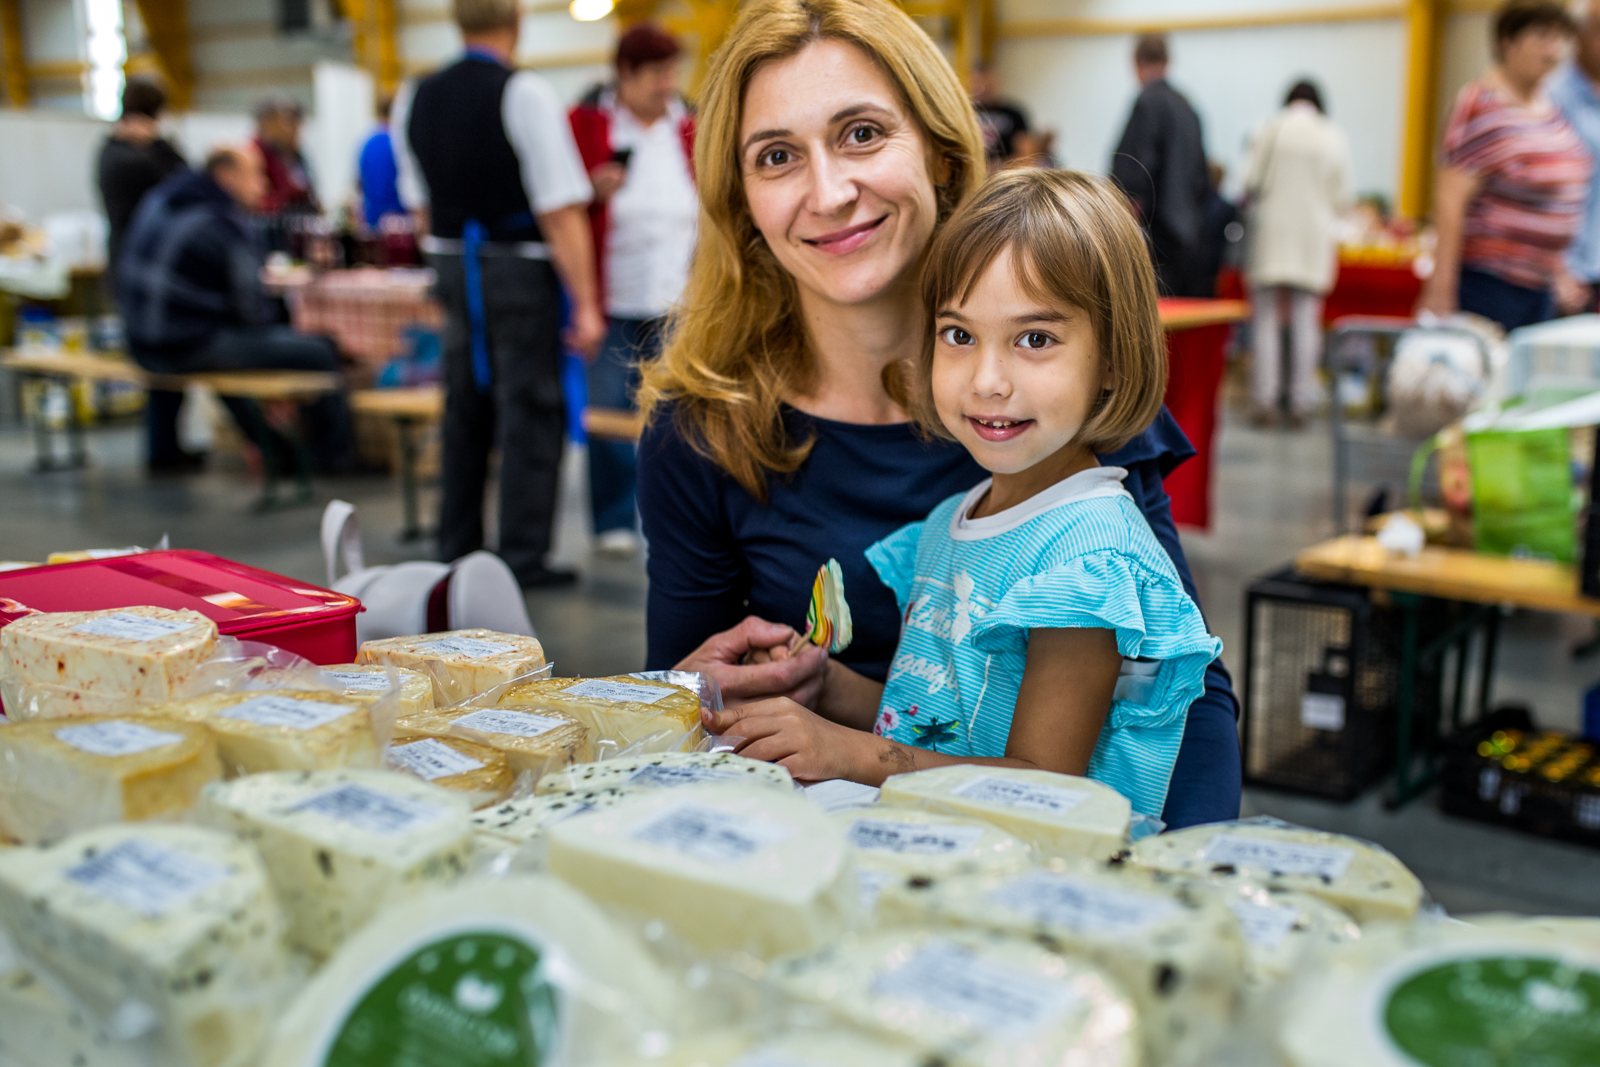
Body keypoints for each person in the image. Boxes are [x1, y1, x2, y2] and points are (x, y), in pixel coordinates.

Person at [634, 0, 1242, 829]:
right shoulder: (704, 430)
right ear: (742, 204)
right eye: (777, 156)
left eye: (861, 133)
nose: (830, 190)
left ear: (942, 154)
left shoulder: (1066, 395)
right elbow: (681, 699)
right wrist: (700, 690)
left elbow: (1178, 690)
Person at [706, 169, 1220, 813]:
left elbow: (1041, 783)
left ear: (1114, 358)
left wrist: (849, 752)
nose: (988, 379)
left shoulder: (1088, 557)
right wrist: (826, 689)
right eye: (959, 335)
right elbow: (928, 724)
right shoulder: (956, 519)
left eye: (1035, 339)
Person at [392, 0, 606, 587]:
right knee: (532, 407)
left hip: (452, 264)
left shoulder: (416, 95)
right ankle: (522, 556)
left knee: (463, 403)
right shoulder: (524, 92)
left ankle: (455, 545)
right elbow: (561, 210)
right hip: (515, 267)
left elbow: (419, 206)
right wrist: (586, 304)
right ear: (516, 20)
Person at [118, 146, 354, 473]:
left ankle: (164, 452)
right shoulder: (223, 221)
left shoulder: (162, 200)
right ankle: (330, 457)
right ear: (226, 175)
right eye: (257, 174)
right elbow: (253, 312)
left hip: (138, 340)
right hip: (184, 347)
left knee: (195, 338)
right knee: (319, 351)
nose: (264, 185)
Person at [569, 23, 697, 558]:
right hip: (615, 294)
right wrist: (591, 191)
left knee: (678, 416)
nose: (666, 83)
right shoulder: (589, 125)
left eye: (671, 72)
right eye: (654, 74)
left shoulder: (686, 127)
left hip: (679, 296)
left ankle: (675, 516)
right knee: (609, 410)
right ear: (624, 74)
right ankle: (612, 519)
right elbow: (560, 207)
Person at [1419, 0, 1590, 331]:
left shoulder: (1549, 104)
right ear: (1507, 42)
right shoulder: (1479, 105)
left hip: (1540, 286)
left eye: (1558, 39)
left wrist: (1559, 271)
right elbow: (1449, 204)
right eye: (1542, 38)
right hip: (1491, 282)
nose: (1553, 51)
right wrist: (1440, 292)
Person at [1243, 80, 1350, 427]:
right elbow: (1343, 195)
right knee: (1307, 320)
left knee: (1267, 320)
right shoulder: (1332, 134)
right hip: (1312, 239)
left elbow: (1250, 180)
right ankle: (1302, 400)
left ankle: (1266, 398)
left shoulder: (1270, 129)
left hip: (1273, 234)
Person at [1110, 33, 1211, 297]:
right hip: (1189, 231)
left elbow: (1134, 168)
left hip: (1156, 231)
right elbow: (1202, 174)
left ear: (1136, 63)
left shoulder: (1146, 103)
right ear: (1168, 61)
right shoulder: (1188, 107)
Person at [98, 77, 187, 291]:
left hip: (128, 255)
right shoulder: (131, 160)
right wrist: (158, 142)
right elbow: (183, 181)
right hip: (139, 258)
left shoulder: (110, 149)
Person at [1547, 0, 1600, 314]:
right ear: (1578, 34)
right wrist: (1557, 270)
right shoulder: (1552, 98)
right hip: (1571, 278)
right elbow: (1541, 193)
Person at [253, 96, 319, 216]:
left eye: (297, 122)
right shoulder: (255, 155)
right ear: (266, 124)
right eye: (288, 122)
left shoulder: (297, 156)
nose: (294, 129)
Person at [357, 97, 405, 231]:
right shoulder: (398, 142)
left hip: (372, 221)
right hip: (399, 224)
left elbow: (360, 183)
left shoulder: (367, 143)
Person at [970, 61, 1030, 170]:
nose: (983, 87)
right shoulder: (964, 113)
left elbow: (1025, 155)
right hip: (972, 173)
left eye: (987, 82)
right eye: (978, 82)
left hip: (1005, 174)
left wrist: (997, 168)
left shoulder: (1013, 114)